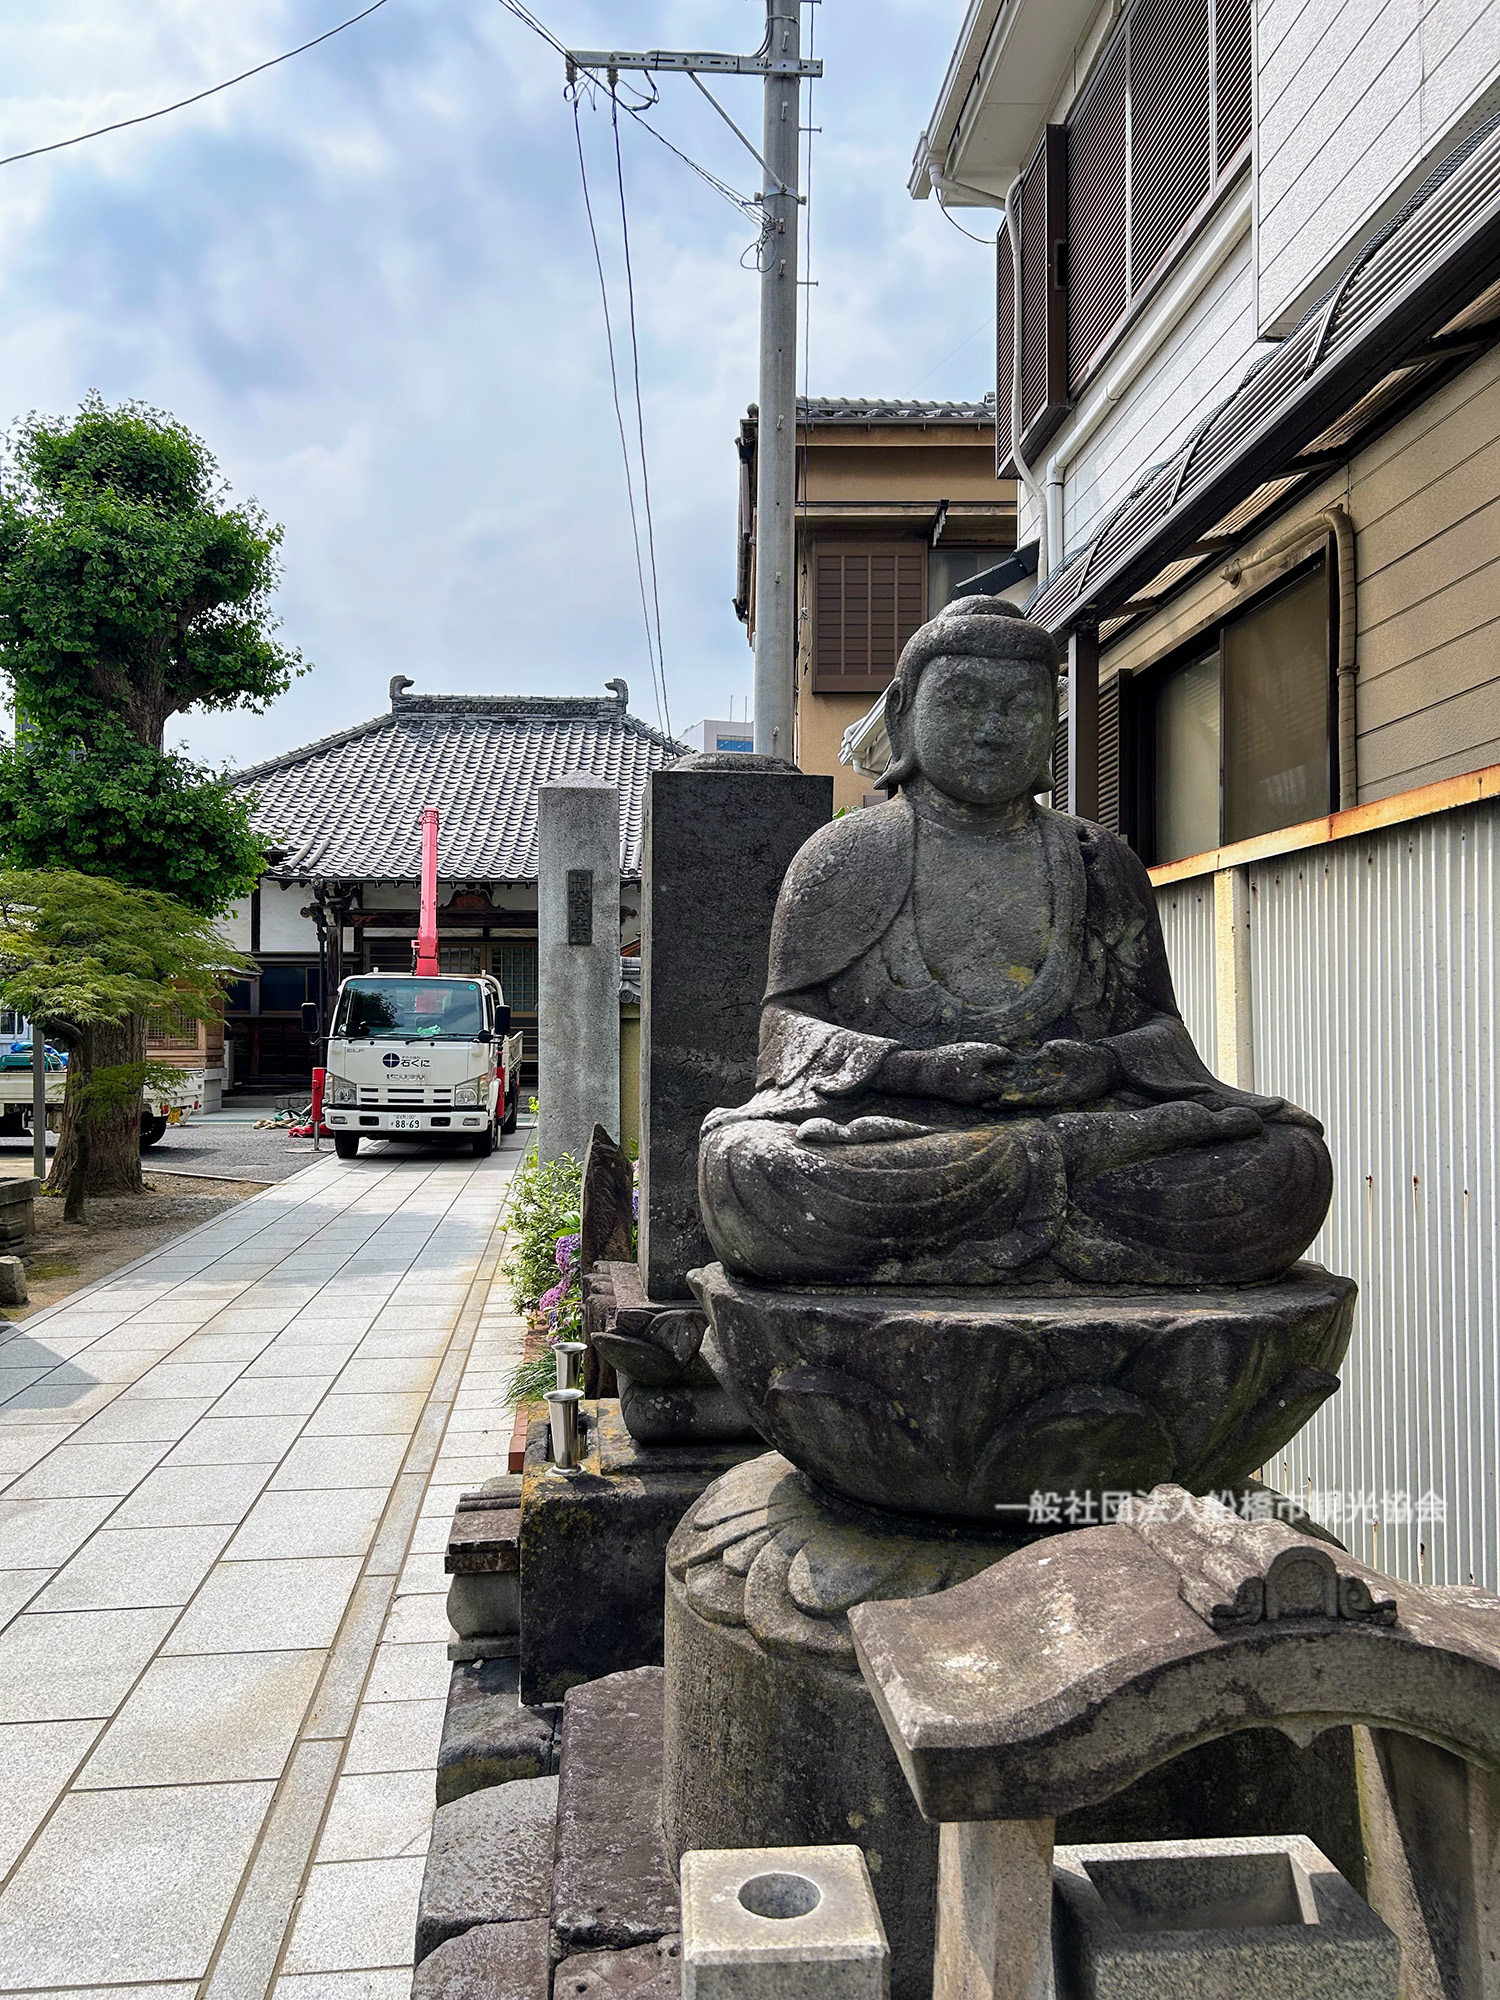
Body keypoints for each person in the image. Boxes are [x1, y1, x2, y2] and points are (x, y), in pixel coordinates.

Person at [699, 595, 1331, 1287]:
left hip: (1086, 1128)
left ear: (1050, 720)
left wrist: (1100, 1065)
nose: (993, 730)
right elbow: (787, 1031)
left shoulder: (1098, 859)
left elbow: (1160, 1029)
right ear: (905, 713)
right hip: (903, 1131)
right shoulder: (842, 856)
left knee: (1288, 1159)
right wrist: (918, 1072)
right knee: (753, 1165)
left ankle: (997, 1214)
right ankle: (1041, 1211)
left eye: (1022, 706)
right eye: (964, 701)